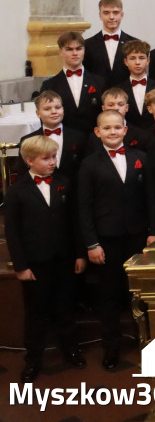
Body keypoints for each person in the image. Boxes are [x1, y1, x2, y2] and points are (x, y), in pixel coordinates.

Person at [79, 109, 155, 369]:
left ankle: (148, 346)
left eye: (117, 127)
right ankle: (111, 348)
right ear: (97, 132)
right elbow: (84, 207)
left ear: (125, 130)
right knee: (109, 296)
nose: (112, 132)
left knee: (141, 294)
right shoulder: (89, 164)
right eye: (107, 128)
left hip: (138, 238)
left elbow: (152, 198)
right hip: (106, 240)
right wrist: (92, 243)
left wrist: (154, 232)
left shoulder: (141, 159)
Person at [5, 135, 86, 382]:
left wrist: (80, 254)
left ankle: (71, 349)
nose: (52, 162)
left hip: (63, 258)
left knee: (65, 308)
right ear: (29, 160)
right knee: (36, 312)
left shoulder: (64, 183)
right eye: (46, 158)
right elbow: (13, 232)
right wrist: (21, 267)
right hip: (35, 262)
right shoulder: (17, 190)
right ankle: (33, 359)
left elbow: (76, 222)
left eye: (54, 157)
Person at [40, 31, 104, 133]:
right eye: (69, 49)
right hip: (65, 142)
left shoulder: (100, 82)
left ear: (84, 50)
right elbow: (45, 119)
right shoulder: (49, 85)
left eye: (79, 48)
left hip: (94, 141)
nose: (75, 53)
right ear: (60, 52)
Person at [19, 91, 86, 181]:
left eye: (58, 107)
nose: (54, 111)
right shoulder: (27, 140)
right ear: (38, 113)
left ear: (63, 110)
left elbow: (85, 169)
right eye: (47, 109)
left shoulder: (80, 137)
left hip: (74, 190)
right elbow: (23, 172)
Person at [83, 0, 138, 88]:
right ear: (100, 16)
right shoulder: (87, 45)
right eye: (106, 13)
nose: (111, 17)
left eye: (115, 13)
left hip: (126, 97)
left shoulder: (135, 43)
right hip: (97, 98)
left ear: (122, 15)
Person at [117, 40, 155, 128]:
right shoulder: (118, 90)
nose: (137, 62)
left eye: (141, 58)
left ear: (148, 61)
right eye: (132, 58)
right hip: (128, 137)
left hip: (154, 137)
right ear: (126, 62)